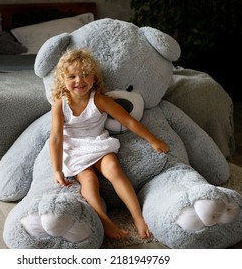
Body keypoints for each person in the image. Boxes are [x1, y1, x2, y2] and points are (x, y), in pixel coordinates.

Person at [49, 48, 169, 240]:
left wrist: (153, 140)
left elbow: (128, 121)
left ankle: (138, 217)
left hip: (99, 145)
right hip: (75, 150)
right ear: (63, 80)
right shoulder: (60, 104)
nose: (79, 81)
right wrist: (57, 170)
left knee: (113, 168)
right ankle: (104, 221)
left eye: (85, 75)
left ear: (94, 78)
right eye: (72, 76)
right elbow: (55, 138)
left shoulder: (99, 99)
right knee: (89, 180)